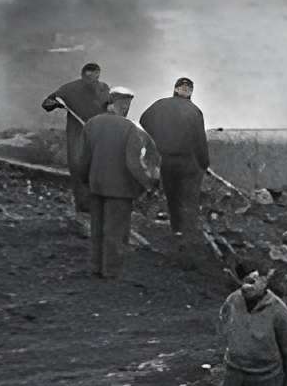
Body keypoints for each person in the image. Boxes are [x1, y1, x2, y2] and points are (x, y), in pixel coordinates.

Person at [79, 90, 156, 280]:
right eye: (125, 105)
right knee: (115, 231)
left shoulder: (91, 124)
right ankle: (111, 273)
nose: (126, 109)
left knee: (97, 228)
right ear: (118, 105)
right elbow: (133, 163)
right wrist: (147, 184)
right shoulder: (129, 128)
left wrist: (85, 180)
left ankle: (96, 268)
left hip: (96, 185)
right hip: (120, 190)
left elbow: (83, 159)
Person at [139, 77, 212, 241]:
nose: (186, 90)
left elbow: (144, 120)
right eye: (185, 88)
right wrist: (204, 163)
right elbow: (200, 141)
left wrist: (157, 137)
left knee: (172, 196)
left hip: (166, 160)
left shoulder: (160, 105)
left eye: (188, 88)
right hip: (186, 162)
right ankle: (188, 233)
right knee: (188, 197)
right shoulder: (194, 111)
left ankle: (177, 230)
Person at [41, 62, 111, 224]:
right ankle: (83, 210)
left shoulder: (104, 88)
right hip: (77, 135)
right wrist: (54, 103)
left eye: (95, 77)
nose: (91, 81)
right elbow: (46, 103)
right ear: (82, 75)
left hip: (99, 134)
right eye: (88, 78)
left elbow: (111, 108)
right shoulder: (69, 89)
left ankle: (101, 206)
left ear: (99, 75)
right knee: (79, 168)